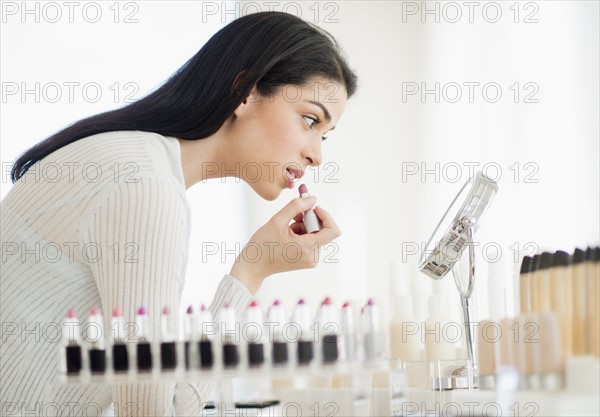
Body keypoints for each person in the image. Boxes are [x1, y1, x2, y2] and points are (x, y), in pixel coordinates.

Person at [0, 11, 357, 417]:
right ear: (245, 91)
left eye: (323, 135)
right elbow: (155, 412)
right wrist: (251, 272)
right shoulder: (145, 187)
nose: (317, 154)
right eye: (309, 120)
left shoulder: (129, 156)